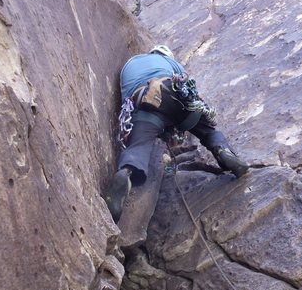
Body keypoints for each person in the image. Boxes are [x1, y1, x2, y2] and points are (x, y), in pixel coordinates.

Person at [104, 45, 249, 223]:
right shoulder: (170, 63)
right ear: (168, 55)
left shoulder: (129, 65)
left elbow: (128, 100)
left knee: (140, 145)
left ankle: (126, 173)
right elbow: (187, 87)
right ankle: (223, 151)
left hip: (148, 102)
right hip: (177, 97)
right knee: (207, 130)